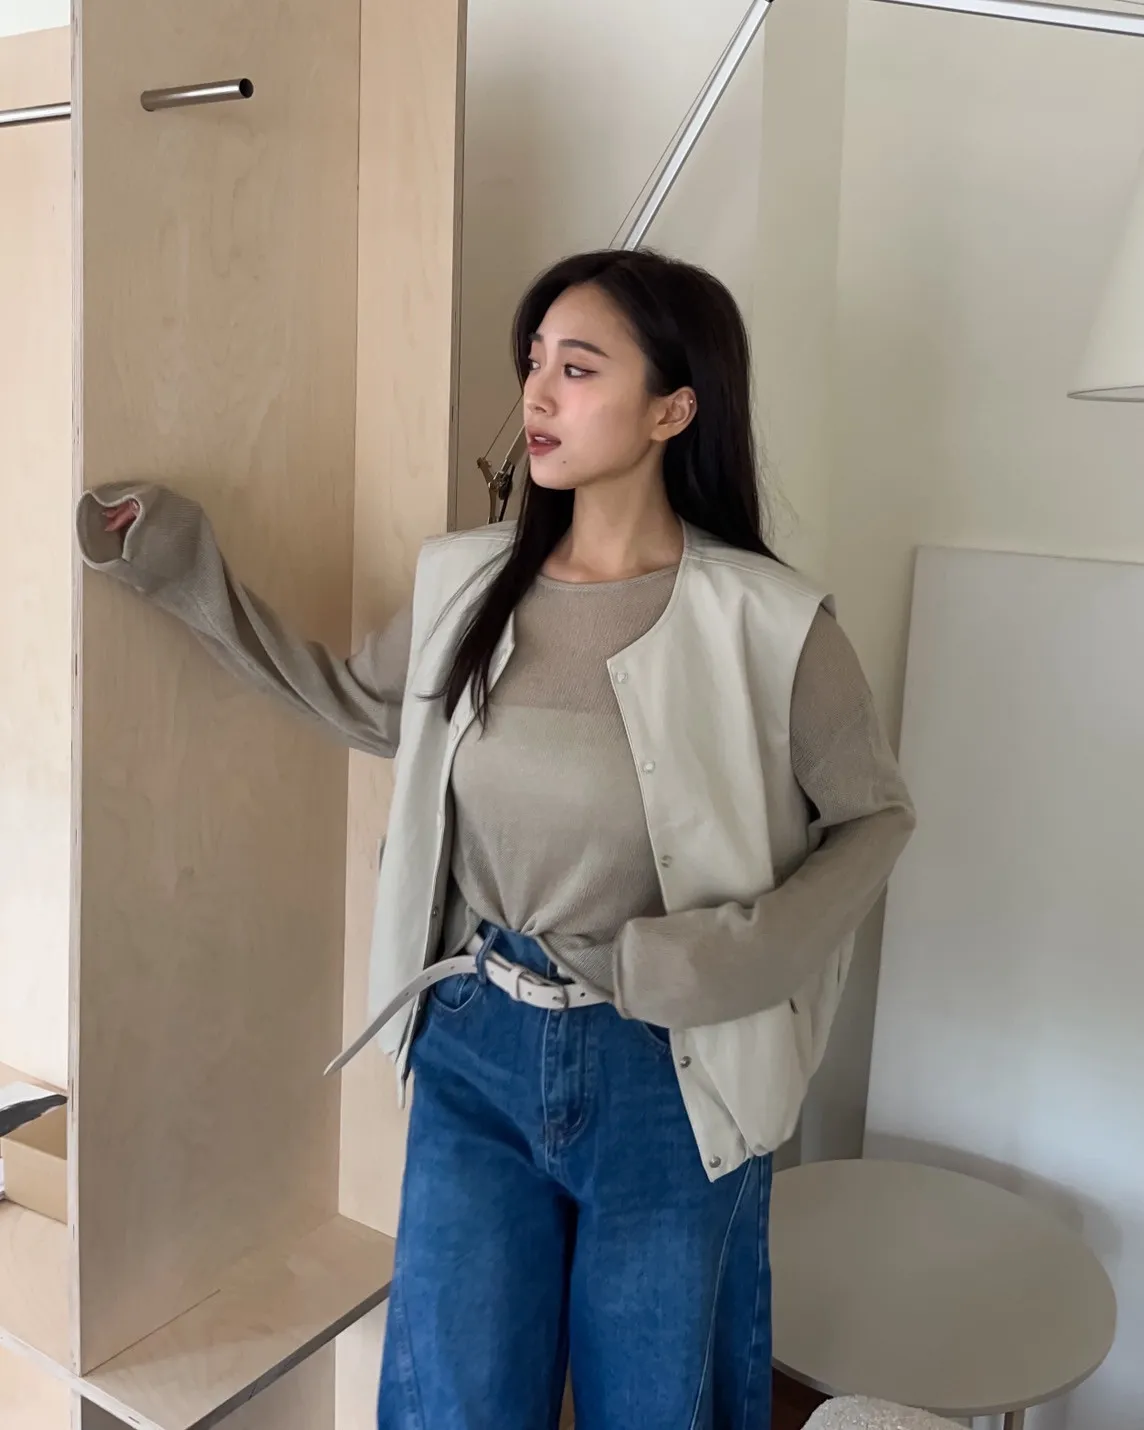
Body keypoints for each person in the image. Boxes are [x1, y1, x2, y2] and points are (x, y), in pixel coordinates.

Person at [77, 248, 915, 1430]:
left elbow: (875, 816)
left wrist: (722, 958)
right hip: (477, 1044)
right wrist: (179, 568)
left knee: (657, 1405)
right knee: (452, 1405)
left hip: (672, 1074)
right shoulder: (465, 582)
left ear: (673, 409)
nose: (537, 392)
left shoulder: (770, 623)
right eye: (534, 362)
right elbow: (356, 701)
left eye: (579, 367)